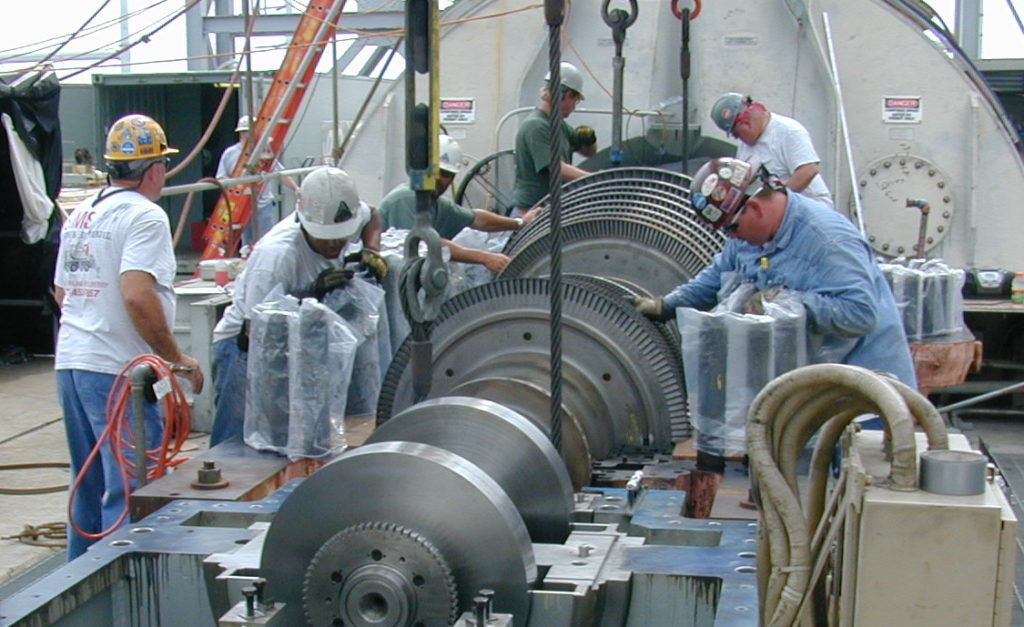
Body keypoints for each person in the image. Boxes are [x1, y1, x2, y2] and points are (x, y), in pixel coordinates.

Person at [53, 114, 205, 560]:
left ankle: (77, 580)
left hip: (74, 363)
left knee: (88, 483)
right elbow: (138, 296)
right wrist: (175, 357)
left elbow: (63, 291)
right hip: (118, 372)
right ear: (155, 168)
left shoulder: (83, 212)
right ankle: (126, 583)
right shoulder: (145, 216)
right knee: (132, 487)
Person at [634, 156, 916, 387]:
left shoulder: (828, 241)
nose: (731, 238)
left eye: (731, 228)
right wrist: (666, 305)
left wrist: (782, 302)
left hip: (865, 388)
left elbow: (860, 315)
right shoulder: (749, 239)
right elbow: (717, 275)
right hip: (810, 382)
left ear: (754, 207)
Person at [210, 166, 385, 447]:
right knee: (238, 447)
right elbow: (254, 334)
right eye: (327, 238)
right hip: (244, 350)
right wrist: (310, 296)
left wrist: (371, 250)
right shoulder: (276, 257)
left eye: (342, 236)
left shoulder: (342, 213)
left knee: (293, 438)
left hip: (300, 343)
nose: (337, 244)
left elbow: (372, 215)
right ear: (305, 222)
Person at [379, 135, 541, 273]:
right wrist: (485, 258)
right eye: (435, 170)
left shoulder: (438, 204)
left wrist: (520, 223)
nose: (438, 178)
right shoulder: (405, 199)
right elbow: (423, 242)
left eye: (446, 174)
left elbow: (477, 218)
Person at [710, 93, 833, 207]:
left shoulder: (788, 131)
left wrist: (778, 203)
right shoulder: (745, 146)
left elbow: (809, 170)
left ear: (746, 123)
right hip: (777, 217)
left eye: (735, 134)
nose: (737, 138)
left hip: (810, 208)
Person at [511, 62, 598, 215]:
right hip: (532, 212)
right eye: (575, 100)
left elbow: (589, 152)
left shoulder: (558, 126)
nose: (574, 106)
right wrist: (595, 180)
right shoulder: (536, 126)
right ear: (565, 95)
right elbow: (557, 169)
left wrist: (589, 140)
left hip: (550, 209)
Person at [216, 114, 299, 245]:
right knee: (247, 244)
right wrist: (236, 185)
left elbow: (280, 173)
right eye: (243, 133)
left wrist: (296, 188)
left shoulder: (264, 153)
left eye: (248, 132)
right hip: (240, 206)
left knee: (267, 241)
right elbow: (221, 177)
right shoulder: (230, 153)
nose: (246, 136)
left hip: (263, 205)